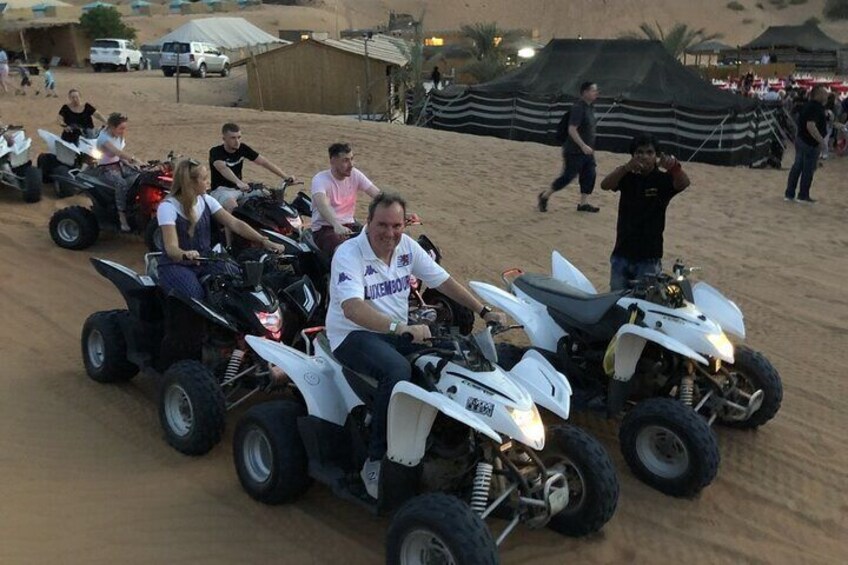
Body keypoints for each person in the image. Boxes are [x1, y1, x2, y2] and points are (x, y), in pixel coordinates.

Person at [328, 192, 507, 498]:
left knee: (454, 357)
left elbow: (443, 281)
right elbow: (352, 308)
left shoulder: (407, 248)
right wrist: (401, 327)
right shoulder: (348, 254)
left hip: (398, 332)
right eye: (382, 225)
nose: (390, 233)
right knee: (396, 371)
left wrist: (483, 310)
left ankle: (452, 441)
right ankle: (376, 459)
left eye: (397, 225)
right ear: (368, 222)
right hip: (352, 334)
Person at [156, 159, 287, 365]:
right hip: (177, 265)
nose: (208, 182)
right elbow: (171, 247)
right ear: (191, 183)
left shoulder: (206, 200)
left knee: (238, 282)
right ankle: (187, 350)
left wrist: (263, 240)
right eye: (204, 178)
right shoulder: (168, 207)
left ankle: (237, 337)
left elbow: (234, 223)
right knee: (195, 298)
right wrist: (184, 253)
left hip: (207, 258)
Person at [600, 134, 691, 291]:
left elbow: (683, 183)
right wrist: (626, 168)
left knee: (644, 304)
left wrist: (674, 168)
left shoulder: (662, 179)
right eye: (639, 152)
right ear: (633, 155)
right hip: (622, 252)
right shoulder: (627, 176)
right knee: (617, 301)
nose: (644, 156)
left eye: (649, 152)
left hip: (649, 256)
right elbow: (605, 184)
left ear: (656, 156)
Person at [538, 81, 600, 213]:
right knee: (568, 176)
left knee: (590, 174)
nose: (596, 93)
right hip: (574, 151)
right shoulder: (578, 108)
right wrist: (583, 145)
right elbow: (572, 129)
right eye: (593, 90)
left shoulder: (590, 108)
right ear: (585, 92)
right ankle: (545, 196)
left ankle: (583, 203)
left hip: (588, 151)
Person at [311, 142, 381, 255]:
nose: (351, 164)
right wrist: (336, 225)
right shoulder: (320, 179)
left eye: (352, 159)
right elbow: (322, 205)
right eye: (345, 160)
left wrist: (400, 212)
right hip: (325, 229)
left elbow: (378, 195)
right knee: (343, 252)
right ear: (333, 161)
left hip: (350, 226)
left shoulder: (355, 174)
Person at [208, 122, 296, 212]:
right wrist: (238, 182)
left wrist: (285, 177)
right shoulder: (216, 151)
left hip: (240, 189)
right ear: (224, 139)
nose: (237, 141)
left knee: (269, 196)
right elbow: (223, 168)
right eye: (233, 138)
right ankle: (228, 226)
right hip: (221, 191)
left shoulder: (242, 148)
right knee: (232, 207)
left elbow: (264, 162)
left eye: (239, 137)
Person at [96, 112, 144, 232]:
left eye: (124, 128)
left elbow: (120, 156)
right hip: (106, 168)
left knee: (141, 175)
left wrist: (135, 165)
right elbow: (118, 152)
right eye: (121, 128)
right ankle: (121, 216)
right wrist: (134, 159)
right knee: (121, 183)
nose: (123, 131)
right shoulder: (104, 138)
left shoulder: (119, 135)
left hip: (120, 164)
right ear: (112, 127)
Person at [784, 85, 827, 204]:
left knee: (797, 167)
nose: (826, 95)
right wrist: (821, 141)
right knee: (807, 169)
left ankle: (789, 193)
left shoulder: (808, 105)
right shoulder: (816, 107)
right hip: (809, 143)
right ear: (817, 94)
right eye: (824, 92)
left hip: (801, 139)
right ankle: (803, 195)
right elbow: (810, 125)